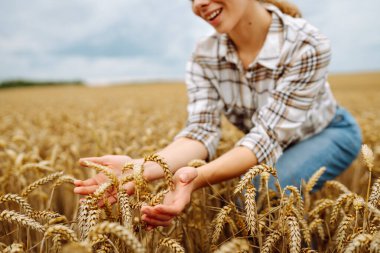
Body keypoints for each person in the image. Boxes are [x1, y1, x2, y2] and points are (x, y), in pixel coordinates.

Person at [73, 0, 362, 230]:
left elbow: (267, 137)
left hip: (329, 133)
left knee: (259, 195)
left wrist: (195, 178)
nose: (199, 3)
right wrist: (141, 169)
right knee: (246, 201)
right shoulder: (204, 55)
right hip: (271, 143)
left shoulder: (306, 44)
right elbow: (200, 133)